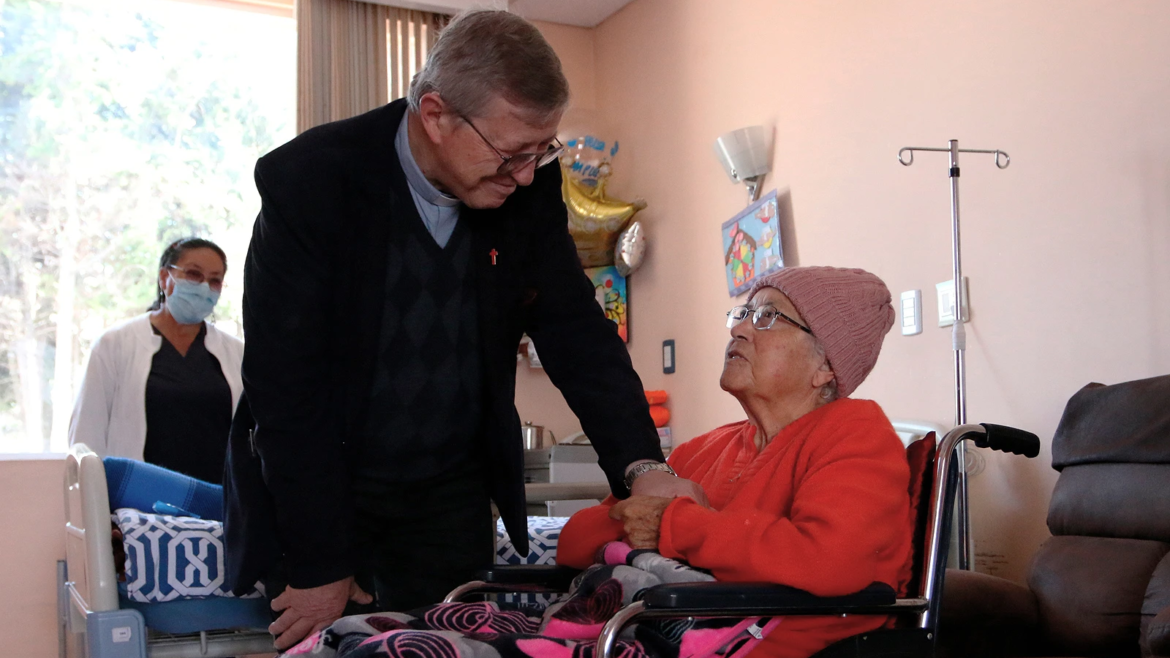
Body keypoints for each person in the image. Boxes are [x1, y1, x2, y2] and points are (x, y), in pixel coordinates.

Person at [223, 9, 702, 651]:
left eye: (542, 151)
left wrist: (644, 465)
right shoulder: (313, 181)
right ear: (435, 114)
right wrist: (320, 564)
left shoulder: (526, 189)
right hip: (325, 483)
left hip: (449, 494)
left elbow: (577, 334)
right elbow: (287, 389)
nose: (528, 175)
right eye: (511, 154)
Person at [557, 266, 913, 658]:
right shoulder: (701, 449)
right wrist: (644, 523)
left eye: (768, 317)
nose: (738, 330)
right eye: (743, 314)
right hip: (643, 633)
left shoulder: (856, 430)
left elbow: (829, 561)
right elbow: (574, 543)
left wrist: (672, 526)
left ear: (825, 367)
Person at [69, 238, 243, 484]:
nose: (204, 286)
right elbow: (86, 438)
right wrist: (100, 514)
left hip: (217, 506)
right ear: (164, 278)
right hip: (136, 508)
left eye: (214, 280)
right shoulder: (115, 345)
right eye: (193, 274)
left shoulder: (236, 354)